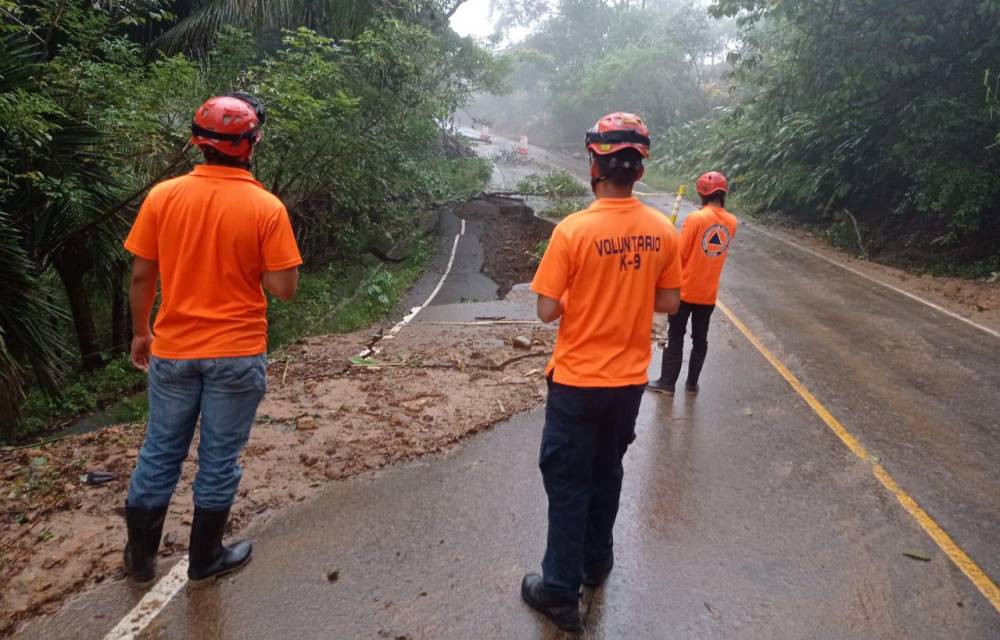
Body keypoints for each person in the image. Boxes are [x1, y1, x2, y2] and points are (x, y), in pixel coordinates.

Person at [121, 94, 302, 584]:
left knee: (160, 450)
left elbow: (142, 276)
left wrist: (142, 332)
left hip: (174, 349)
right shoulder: (266, 208)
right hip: (238, 353)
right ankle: (205, 559)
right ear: (251, 145)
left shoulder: (163, 196)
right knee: (220, 457)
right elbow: (283, 289)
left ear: (197, 142)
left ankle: (139, 562)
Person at [521, 112, 682, 632]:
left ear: (596, 163)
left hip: (577, 382)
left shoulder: (574, 231)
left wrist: (584, 292)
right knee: (606, 473)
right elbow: (671, 302)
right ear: (637, 170)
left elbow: (547, 309)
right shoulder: (662, 229)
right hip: (629, 383)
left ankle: (560, 591)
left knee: (568, 482)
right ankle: (597, 563)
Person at [648, 171, 737, 394]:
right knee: (700, 338)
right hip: (708, 294)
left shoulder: (696, 218)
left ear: (702, 194)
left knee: (675, 335)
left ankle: (667, 383)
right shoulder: (731, 222)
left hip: (684, 291)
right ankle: (692, 384)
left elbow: (680, 254)